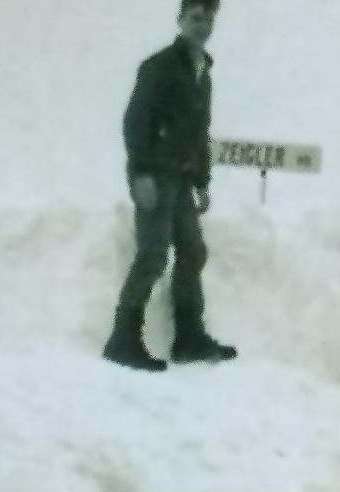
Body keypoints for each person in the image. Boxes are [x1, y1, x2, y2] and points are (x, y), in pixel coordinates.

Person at [101, 0, 237, 371]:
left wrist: (203, 180)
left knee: (193, 251)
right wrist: (140, 175)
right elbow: (135, 121)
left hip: (182, 177)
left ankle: (189, 338)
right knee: (154, 253)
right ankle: (123, 338)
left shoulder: (203, 72)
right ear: (180, 21)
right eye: (196, 17)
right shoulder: (160, 66)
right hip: (155, 175)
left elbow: (199, 132)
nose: (203, 25)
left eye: (209, 18)